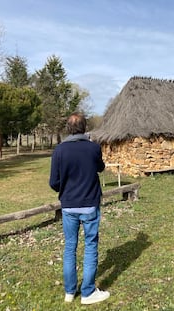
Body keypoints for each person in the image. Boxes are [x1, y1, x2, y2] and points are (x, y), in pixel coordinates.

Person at [49, 112, 110, 305]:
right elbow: (101, 168)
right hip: (90, 204)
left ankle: (69, 291)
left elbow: (54, 182)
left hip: (68, 206)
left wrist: (66, 191)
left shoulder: (59, 150)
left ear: (68, 129)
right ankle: (88, 292)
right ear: (84, 128)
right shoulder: (93, 148)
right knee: (90, 245)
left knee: (70, 247)